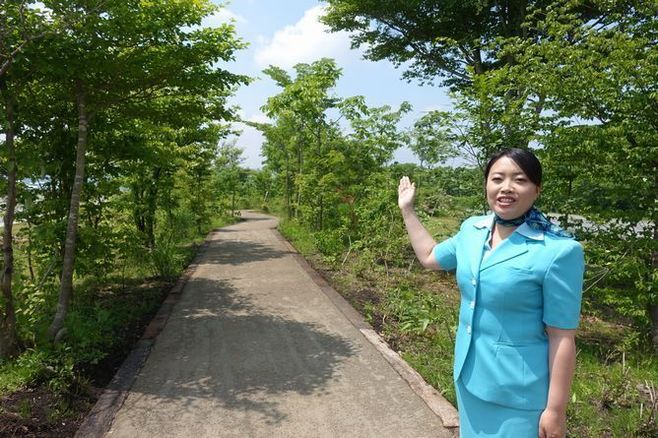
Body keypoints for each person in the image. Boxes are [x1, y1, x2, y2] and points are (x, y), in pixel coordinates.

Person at [398, 148, 584, 438]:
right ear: (486, 184)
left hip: (519, 395)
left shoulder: (559, 250)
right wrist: (407, 210)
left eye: (519, 180)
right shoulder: (472, 230)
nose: (506, 187)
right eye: (497, 178)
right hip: (469, 379)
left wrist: (555, 410)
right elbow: (430, 257)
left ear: (537, 189)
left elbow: (562, 337)